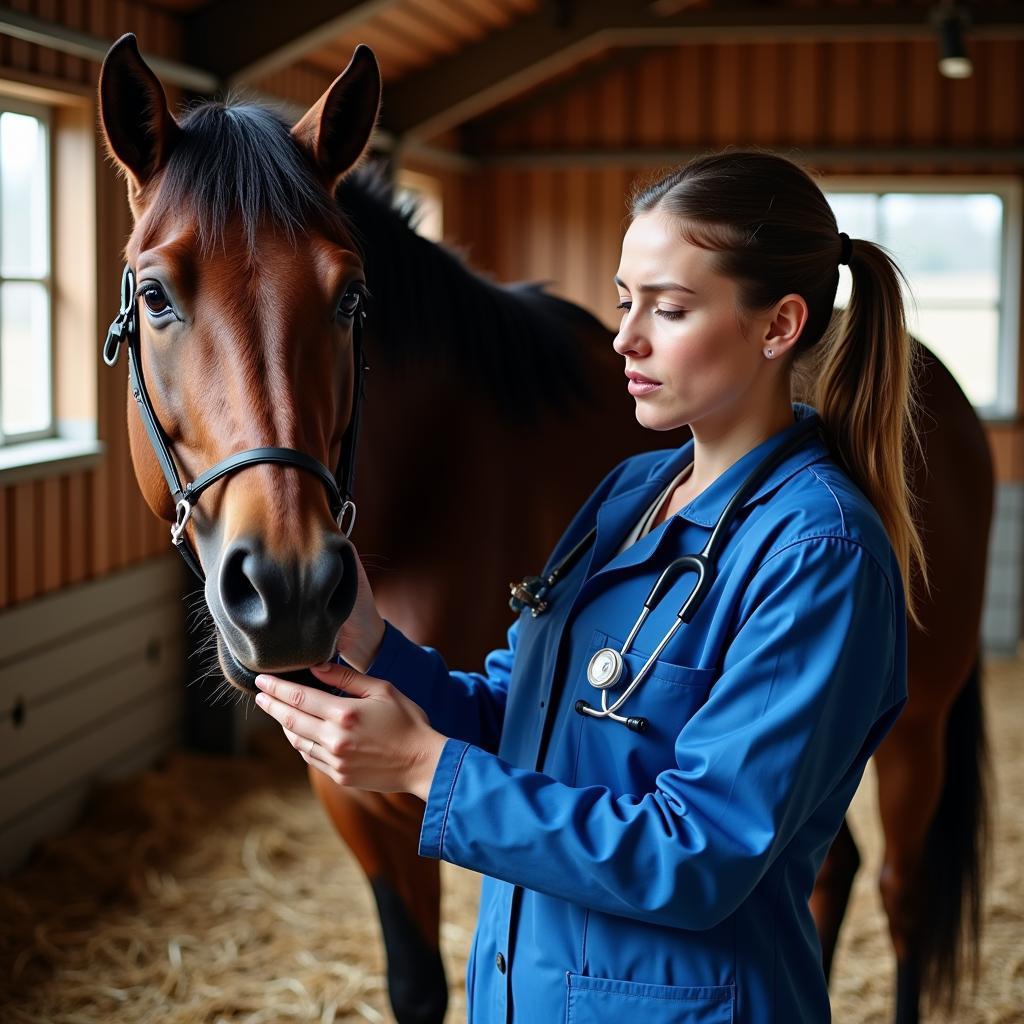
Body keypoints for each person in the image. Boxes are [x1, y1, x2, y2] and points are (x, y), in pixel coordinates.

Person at [253, 149, 922, 1023]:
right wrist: (380, 651)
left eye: (670, 308)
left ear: (778, 325)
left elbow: (702, 852)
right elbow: (522, 715)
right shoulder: (630, 494)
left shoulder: (817, 552)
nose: (625, 338)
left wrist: (424, 767)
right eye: (624, 300)